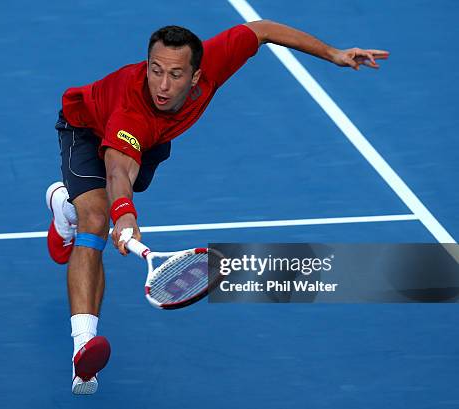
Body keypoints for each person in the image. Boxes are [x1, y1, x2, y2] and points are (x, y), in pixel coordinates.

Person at [45, 19, 389, 394]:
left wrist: (333, 54)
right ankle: (84, 352)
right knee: (95, 220)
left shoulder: (216, 62)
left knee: (95, 205)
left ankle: (63, 204)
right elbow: (118, 172)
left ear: (196, 76)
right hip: (87, 128)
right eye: (155, 71)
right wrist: (124, 214)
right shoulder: (132, 109)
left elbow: (262, 29)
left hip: (152, 141)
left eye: (175, 74)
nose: (162, 85)